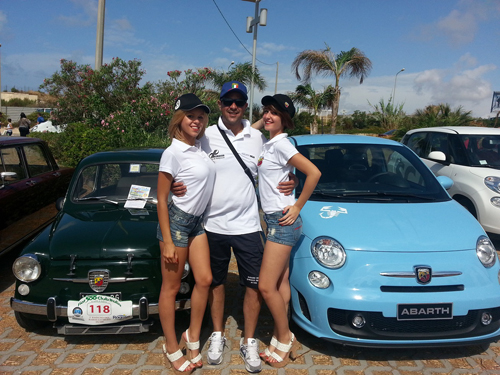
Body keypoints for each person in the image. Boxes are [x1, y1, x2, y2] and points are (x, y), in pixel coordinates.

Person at [171, 81, 296, 373]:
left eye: (239, 102)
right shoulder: (205, 134)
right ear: (220, 103)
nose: (233, 106)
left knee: (252, 287)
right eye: (228, 101)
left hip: (248, 225)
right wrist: (174, 185)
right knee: (215, 283)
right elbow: (181, 157)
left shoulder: (257, 137)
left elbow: (280, 161)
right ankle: (216, 334)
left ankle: (249, 339)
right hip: (211, 225)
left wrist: (295, 180)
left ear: (244, 106)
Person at [255, 94, 320, 367]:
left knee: (265, 286)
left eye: (274, 114)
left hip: (283, 222)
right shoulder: (268, 143)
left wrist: (297, 207)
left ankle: (285, 338)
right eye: (265, 111)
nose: (268, 117)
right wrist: (266, 118)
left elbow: (314, 173)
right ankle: (281, 335)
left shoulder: (281, 145)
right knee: (280, 284)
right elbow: (251, 129)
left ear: (286, 120)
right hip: (272, 220)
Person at [157, 93, 215, 374]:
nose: (196, 120)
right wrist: (167, 240)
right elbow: (161, 197)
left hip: (197, 224)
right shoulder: (173, 152)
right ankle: (170, 346)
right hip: (178, 225)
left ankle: (192, 335)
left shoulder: (200, 146)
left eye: (201, 116)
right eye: (191, 116)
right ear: (179, 119)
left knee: (204, 279)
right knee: (170, 288)